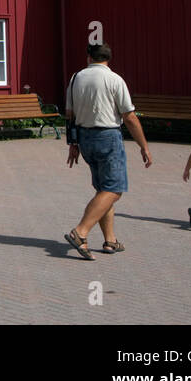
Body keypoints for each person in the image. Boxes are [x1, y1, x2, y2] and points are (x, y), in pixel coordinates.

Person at [64, 43, 152, 259]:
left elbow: (69, 114)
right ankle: (80, 232)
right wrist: (144, 146)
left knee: (103, 189)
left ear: (89, 57)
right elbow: (129, 117)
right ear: (108, 59)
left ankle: (110, 240)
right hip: (108, 136)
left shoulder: (76, 78)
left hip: (85, 138)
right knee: (114, 189)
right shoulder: (115, 80)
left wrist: (73, 144)